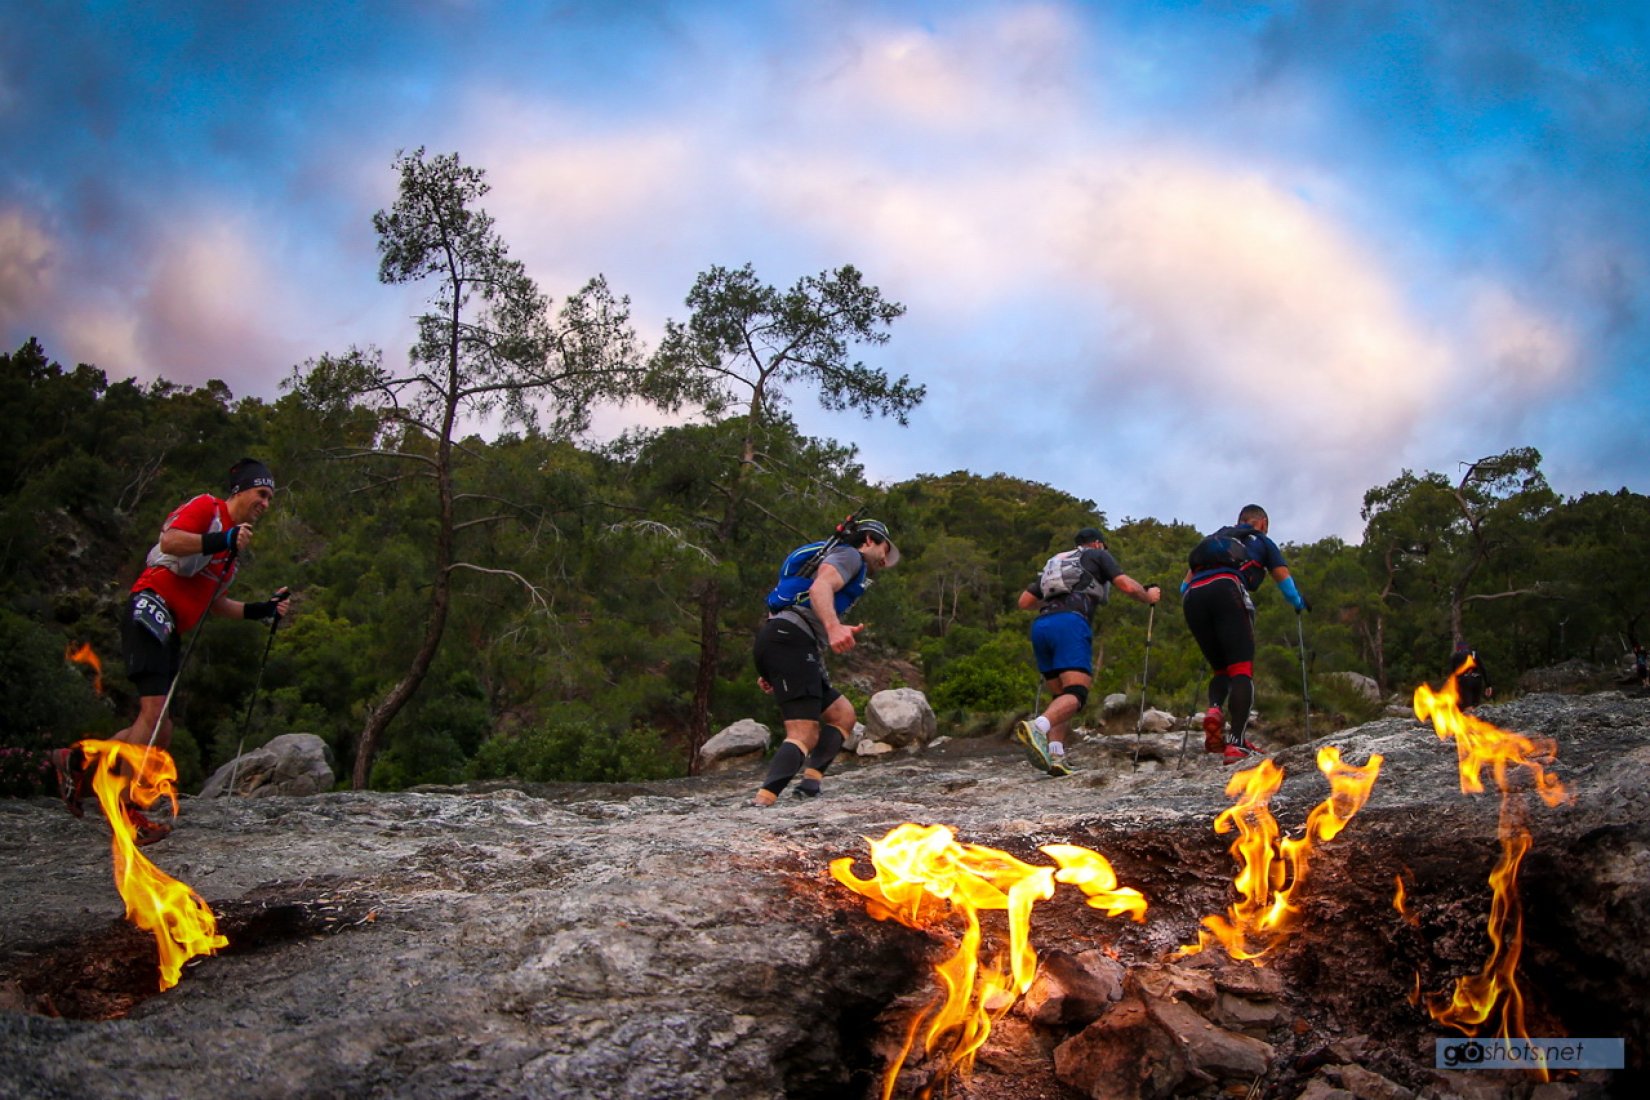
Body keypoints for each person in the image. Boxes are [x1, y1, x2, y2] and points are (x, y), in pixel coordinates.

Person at [52, 458, 291, 843]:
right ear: (241, 490)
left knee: (159, 725)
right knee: (154, 718)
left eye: (270, 498)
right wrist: (222, 540)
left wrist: (264, 609)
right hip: (151, 607)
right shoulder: (208, 509)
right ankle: (126, 811)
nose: (266, 503)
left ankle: (78, 762)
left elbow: (216, 603)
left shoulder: (233, 553)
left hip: (170, 627)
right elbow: (170, 540)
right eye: (262, 494)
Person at [750, 518, 900, 806]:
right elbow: (820, 588)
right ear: (869, 540)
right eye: (885, 549)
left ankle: (809, 786)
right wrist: (834, 628)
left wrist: (772, 666)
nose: (884, 560)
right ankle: (762, 803)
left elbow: (786, 608)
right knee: (803, 733)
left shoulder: (837, 557)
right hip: (791, 641)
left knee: (842, 715)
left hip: (780, 639)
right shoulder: (850, 555)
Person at [1013, 527, 1160, 776]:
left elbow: (1024, 602)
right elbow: (1125, 585)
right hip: (1070, 623)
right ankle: (1038, 727)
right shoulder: (1097, 555)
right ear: (1098, 544)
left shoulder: (1057, 563)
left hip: (1042, 625)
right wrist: (1148, 595)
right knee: (1077, 694)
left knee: (1061, 696)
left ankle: (1056, 753)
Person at [1180, 505, 1307, 764]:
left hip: (1193, 597)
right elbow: (1283, 579)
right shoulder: (1262, 541)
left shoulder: (1215, 539)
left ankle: (1214, 709)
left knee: (1220, 669)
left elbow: (1183, 584)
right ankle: (1236, 744)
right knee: (1240, 669)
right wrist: (1298, 602)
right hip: (1228, 587)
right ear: (1261, 522)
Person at [1450, 642, 1492, 709]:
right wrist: (1488, 685)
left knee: (1467, 705)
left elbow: (1453, 673)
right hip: (1477, 680)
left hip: (1465, 681)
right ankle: (1476, 716)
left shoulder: (1456, 656)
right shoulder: (1474, 654)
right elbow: (1483, 668)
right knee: (1476, 705)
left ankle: (1469, 715)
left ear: (1458, 649)